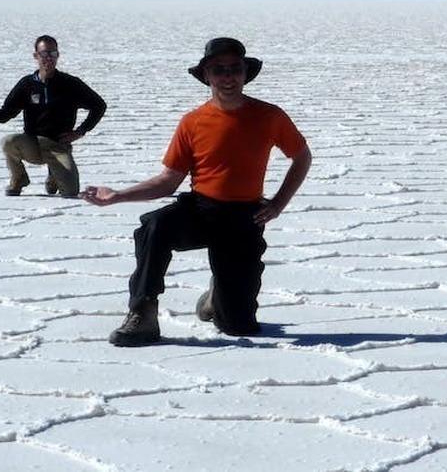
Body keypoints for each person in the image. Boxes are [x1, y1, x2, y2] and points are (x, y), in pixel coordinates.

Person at [82, 37, 311, 346]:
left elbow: (301, 156)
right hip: (201, 210)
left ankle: (217, 298)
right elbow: (168, 181)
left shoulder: (269, 116)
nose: (228, 77)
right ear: (207, 76)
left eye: (235, 69)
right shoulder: (192, 122)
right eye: (219, 70)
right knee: (154, 226)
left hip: (245, 218)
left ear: (245, 73)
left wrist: (279, 203)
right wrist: (119, 195)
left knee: (239, 326)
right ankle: (143, 314)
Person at [0, 35, 107, 197]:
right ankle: (19, 179)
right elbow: (3, 115)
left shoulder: (70, 84)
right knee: (8, 142)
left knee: (70, 192)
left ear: (58, 55)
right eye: (44, 54)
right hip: (32, 143)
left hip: (57, 145)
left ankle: (54, 174)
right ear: (36, 56)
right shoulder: (27, 85)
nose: (48, 59)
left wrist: (80, 131)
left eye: (53, 54)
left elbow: (99, 105)